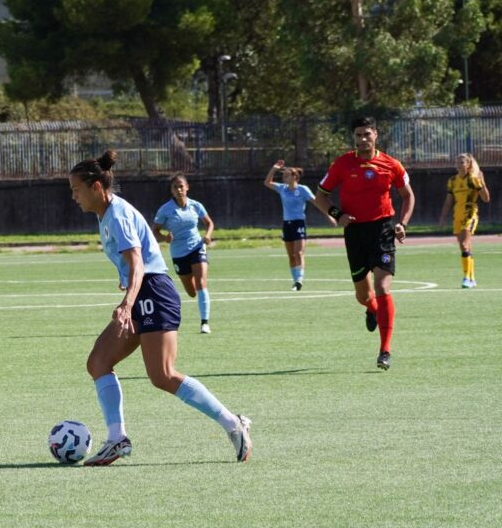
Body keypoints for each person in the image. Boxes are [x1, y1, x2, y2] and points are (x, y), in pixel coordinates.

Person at [69, 150, 251, 466]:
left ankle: (233, 424)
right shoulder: (107, 214)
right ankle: (116, 439)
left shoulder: (118, 215)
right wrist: (128, 288)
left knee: (163, 374)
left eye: (76, 189)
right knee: (98, 362)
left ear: (96, 187)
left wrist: (128, 301)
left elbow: (139, 263)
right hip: (142, 292)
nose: (73, 197)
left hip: (153, 291)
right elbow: (133, 266)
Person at [312, 116, 415, 371]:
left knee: (382, 286)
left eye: (367, 134)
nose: (362, 139)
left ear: (375, 135)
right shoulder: (342, 163)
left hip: (382, 230)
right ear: (354, 137)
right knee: (364, 295)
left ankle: (385, 350)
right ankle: (371, 309)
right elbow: (320, 196)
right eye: (358, 135)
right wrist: (338, 215)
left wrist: (402, 223)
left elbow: (407, 195)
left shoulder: (391, 164)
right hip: (355, 232)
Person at [153, 174, 214, 334]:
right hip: (179, 253)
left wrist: (207, 235)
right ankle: (198, 298)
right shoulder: (165, 209)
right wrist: (164, 237)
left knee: (201, 283)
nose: (179, 189)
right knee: (192, 292)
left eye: (181, 186)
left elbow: (209, 223)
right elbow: (155, 231)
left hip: (197, 247)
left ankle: (205, 323)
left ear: (187, 187)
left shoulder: (196, 206)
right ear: (171, 191)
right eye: (175, 187)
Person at [263, 160, 338, 290]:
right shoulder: (282, 188)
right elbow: (267, 183)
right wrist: (274, 169)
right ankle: (295, 281)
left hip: (299, 223)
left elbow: (317, 202)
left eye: (287, 175)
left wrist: (329, 216)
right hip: (287, 224)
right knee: (291, 255)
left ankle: (299, 280)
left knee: (298, 253)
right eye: (284, 175)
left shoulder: (303, 189)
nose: (284, 178)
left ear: (294, 177)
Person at [439, 153, 490, 288]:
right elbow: (448, 202)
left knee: (464, 245)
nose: (459, 164)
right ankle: (472, 278)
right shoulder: (452, 181)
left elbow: (486, 198)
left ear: (468, 165)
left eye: (462, 162)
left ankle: (466, 277)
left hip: (470, 215)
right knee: (464, 247)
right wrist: (443, 217)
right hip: (458, 216)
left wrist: (482, 183)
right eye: (457, 162)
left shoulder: (473, 180)